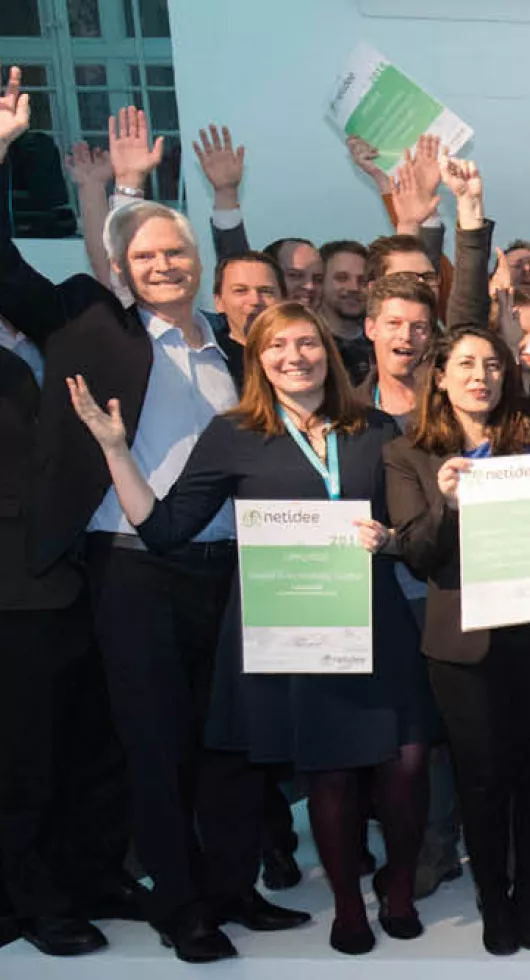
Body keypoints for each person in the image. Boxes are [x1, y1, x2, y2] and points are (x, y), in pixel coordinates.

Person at [66, 302, 434, 956]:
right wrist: (116, 451)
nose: (294, 357)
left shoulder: (374, 428)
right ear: (258, 361)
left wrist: (391, 537)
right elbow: (165, 527)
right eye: (277, 347)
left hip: (375, 615)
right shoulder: (233, 433)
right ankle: (349, 906)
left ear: (326, 351)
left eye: (306, 343)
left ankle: (398, 887)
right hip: (298, 623)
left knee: (406, 763)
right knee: (330, 771)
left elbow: (413, 527)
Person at [19, 192, 317, 963]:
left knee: (232, 745)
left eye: (174, 252)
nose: (163, 266)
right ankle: (181, 908)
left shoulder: (237, 353)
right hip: (134, 573)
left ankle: (232, 889)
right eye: (145, 256)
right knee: (156, 746)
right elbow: (9, 278)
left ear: (198, 262)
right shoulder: (95, 331)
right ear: (121, 269)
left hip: (233, 572)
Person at [385, 316, 530, 955]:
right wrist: (446, 502)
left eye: (493, 365)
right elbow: (417, 554)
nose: (482, 376)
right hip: (463, 650)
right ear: (441, 378)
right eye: (467, 365)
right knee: (482, 781)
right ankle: (494, 902)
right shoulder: (409, 454)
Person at [0, 72, 133, 959]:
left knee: (95, 741)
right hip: (16, 583)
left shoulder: (53, 324)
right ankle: (35, 898)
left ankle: (92, 876)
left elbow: (116, 283)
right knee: (27, 754)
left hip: (86, 571)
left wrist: (112, 195)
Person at [363, 272, 436, 425]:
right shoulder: (348, 413)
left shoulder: (450, 405)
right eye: (394, 323)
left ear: (430, 335)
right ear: (371, 329)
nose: (406, 336)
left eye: (419, 327)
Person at [210, 252, 284, 345]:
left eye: (266, 291)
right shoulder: (205, 352)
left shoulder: (298, 352)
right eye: (240, 290)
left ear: (283, 300)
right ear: (219, 302)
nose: (255, 301)